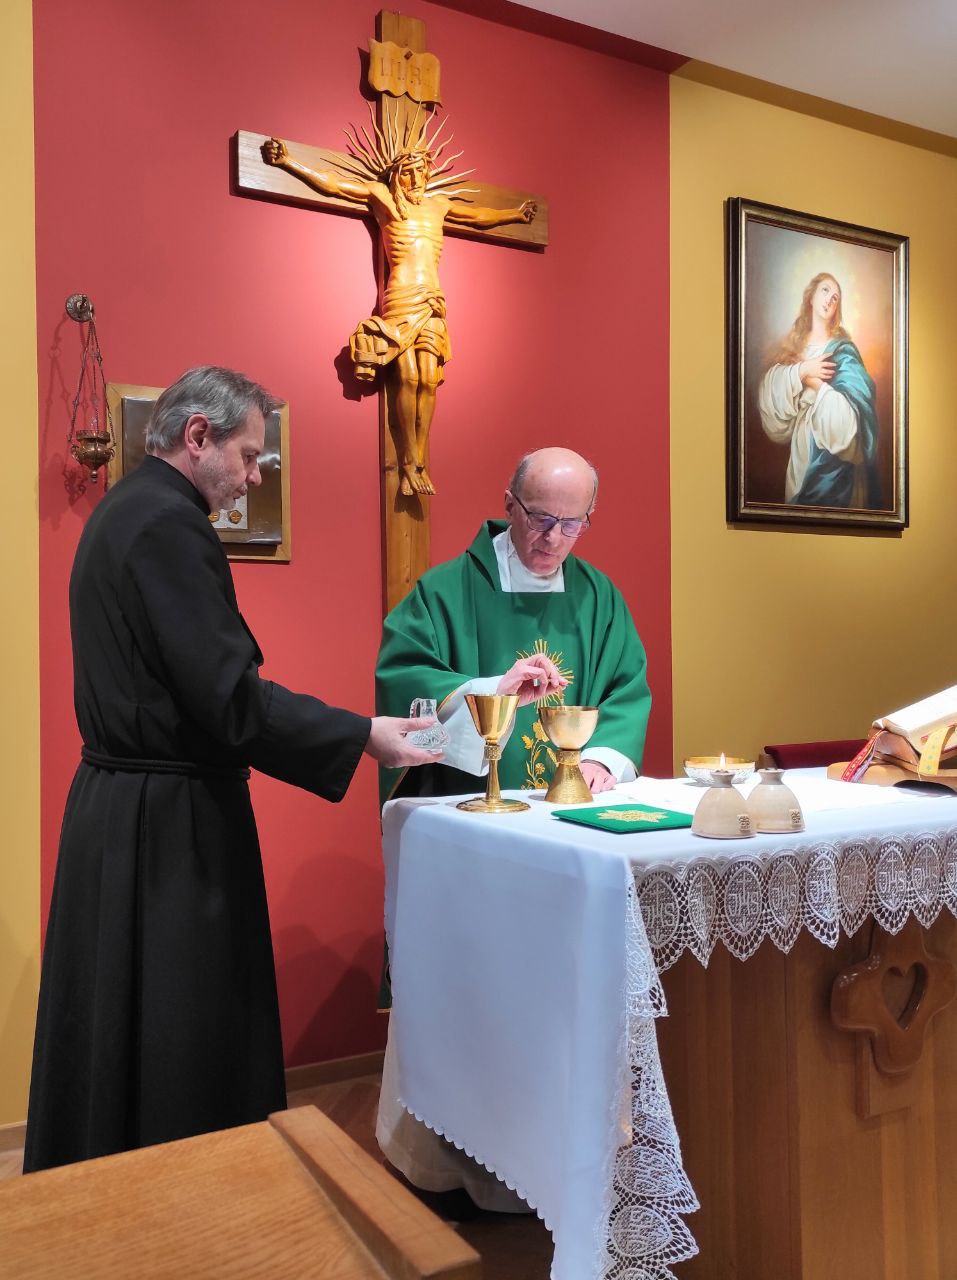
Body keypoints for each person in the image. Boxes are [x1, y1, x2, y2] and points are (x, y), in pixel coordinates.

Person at [23, 365, 439, 1173]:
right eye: (249, 455)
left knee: (121, 1025)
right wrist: (363, 734)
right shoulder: (169, 527)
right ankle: (198, 1194)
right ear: (197, 436)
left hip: (120, 806)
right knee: (184, 1026)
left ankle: (112, 1179)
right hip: (168, 825)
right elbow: (228, 698)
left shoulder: (123, 511)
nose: (253, 476)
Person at [373, 445, 650, 1208]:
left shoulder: (597, 597)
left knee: (557, 1000)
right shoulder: (444, 592)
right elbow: (404, 686)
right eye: (538, 518)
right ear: (508, 503)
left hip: (565, 833)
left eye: (572, 524)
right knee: (476, 995)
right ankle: (454, 1166)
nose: (552, 539)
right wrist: (491, 690)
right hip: (472, 832)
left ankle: (560, 1166)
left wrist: (602, 760)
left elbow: (626, 689)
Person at [262, 112, 536, 498]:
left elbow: (478, 216)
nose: (417, 179)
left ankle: (419, 459)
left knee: (429, 378)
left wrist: (514, 214)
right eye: (410, 172)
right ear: (396, 175)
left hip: (432, 300)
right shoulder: (383, 199)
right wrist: (289, 162)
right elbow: (334, 186)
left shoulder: (438, 205)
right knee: (406, 377)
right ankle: (407, 460)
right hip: (401, 298)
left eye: (422, 172)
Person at [758, 271, 879, 508]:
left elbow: (852, 425)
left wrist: (814, 382)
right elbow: (771, 402)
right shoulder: (793, 348)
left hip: (835, 462)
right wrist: (803, 370)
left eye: (835, 298)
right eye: (825, 290)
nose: (829, 300)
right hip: (802, 452)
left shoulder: (843, 352)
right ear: (811, 296)